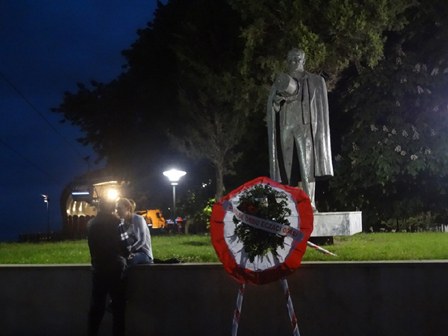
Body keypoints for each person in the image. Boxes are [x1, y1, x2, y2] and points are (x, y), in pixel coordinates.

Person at [267, 47, 333, 211]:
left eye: (298, 59)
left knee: (307, 166)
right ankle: (287, 205)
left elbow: (320, 109)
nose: (294, 62)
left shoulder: (315, 81)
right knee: (285, 167)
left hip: (305, 127)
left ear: (304, 61)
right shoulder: (280, 82)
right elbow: (272, 108)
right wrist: (276, 100)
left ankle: (309, 203)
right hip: (285, 126)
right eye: (291, 59)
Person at [87, 198, 128, 336]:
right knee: (118, 308)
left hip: (98, 268)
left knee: (96, 307)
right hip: (116, 269)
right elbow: (124, 246)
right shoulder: (118, 222)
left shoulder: (91, 224)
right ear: (112, 208)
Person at [116, 198, 154, 265]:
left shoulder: (138, 219)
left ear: (127, 208)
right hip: (131, 253)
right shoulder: (122, 222)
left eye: (119, 208)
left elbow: (142, 240)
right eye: (116, 209)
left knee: (128, 260)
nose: (117, 211)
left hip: (144, 253)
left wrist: (129, 250)